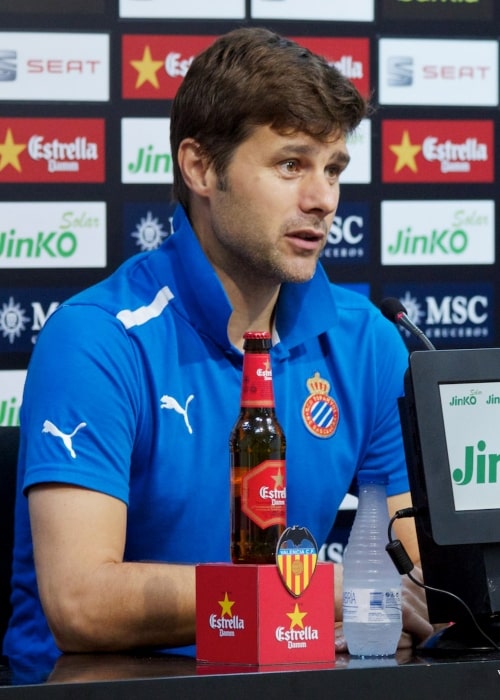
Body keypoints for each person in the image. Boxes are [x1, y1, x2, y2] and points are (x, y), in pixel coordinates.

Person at [3, 27, 432, 664]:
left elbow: (422, 580)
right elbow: (81, 604)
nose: (322, 200)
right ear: (201, 167)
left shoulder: (367, 341)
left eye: (333, 169)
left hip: (291, 676)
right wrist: (312, 593)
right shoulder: (97, 337)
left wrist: (370, 604)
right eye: (291, 164)